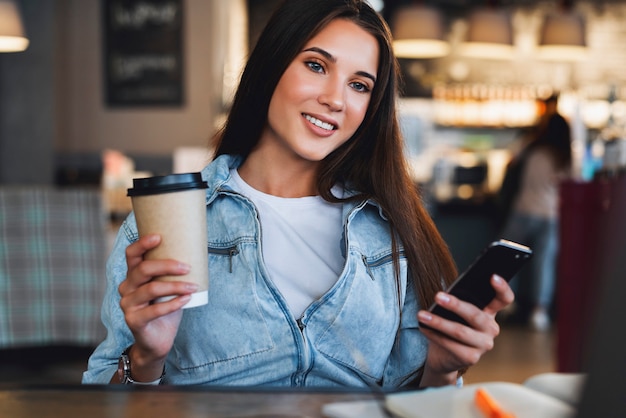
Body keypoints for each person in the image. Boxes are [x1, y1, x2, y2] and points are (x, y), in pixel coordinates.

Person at [83, 0, 514, 388]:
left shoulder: (394, 231)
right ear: (272, 65)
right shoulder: (164, 223)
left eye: (359, 85)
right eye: (316, 66)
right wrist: (146, 359)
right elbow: (103, 401)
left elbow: (416, 406)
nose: (335, 100)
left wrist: (441, 369)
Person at [500, 93, 572, 331]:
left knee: (507, 257)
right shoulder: (566, 158)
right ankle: (539, 311)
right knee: (544, 264)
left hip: (524, 209)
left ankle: (506, 302)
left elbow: (510, 166)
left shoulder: (532, 148)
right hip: (551, 215)